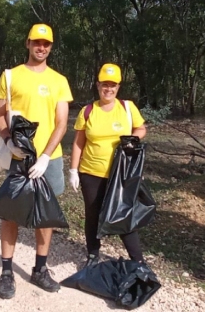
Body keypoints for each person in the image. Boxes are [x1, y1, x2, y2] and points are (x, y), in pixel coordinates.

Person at [0, 24, 73, 299]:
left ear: (51, 47)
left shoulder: (59, 80)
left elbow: (62, 123)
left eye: (46, 44)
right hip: (19, 157)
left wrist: (47, 155)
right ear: (27, 43)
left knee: (45, 215)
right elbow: (0, 111)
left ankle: (40, 269)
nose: (41, 47)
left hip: (48, 160)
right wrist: (8, 141)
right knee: (11, 214)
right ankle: (6, 272)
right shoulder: (11, 76)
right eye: (36, 42)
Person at [69, 63, 147, 267]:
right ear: (98, 85)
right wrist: (73, 170)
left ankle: (138, 261)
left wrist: (134, 139)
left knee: (123, 214)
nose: (108, 89)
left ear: (118, 87)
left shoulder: (127, 108)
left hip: (120, 174)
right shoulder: (88, 111)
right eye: (105, 84)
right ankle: (93, 255)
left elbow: (141, 128)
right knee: (92, 215)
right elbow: (78, 142)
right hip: (91, 172)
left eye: (113, 85)